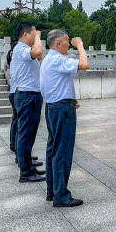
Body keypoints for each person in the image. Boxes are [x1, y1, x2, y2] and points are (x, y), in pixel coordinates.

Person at [40, 30, 89, 207]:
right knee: (62, 150)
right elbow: (84, 64)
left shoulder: (48, 59)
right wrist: (81, 45)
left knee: (53, 148)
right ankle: (61, 195)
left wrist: (68, 98)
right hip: (61, 109)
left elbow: (52, 84)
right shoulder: (58, 59)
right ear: (59, 43)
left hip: (54, 106)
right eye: (67, 42)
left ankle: (52, 190)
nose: (70, 45)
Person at [11, 22, 45, 182]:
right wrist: (38, 37)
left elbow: (39, 54)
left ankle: (28, 166)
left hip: (29, 95)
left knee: (28, 133)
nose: (36, 35)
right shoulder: (21, 49)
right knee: (25, 134)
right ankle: (25, 172)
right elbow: (38, 51)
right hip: (27, 96)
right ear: (26, 34)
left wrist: (36, 37)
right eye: (33, 33)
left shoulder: (23, 50)